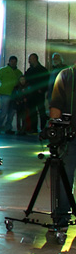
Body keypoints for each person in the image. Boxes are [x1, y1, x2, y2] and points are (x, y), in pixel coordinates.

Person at [49, 61, 76, 227]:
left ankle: (63, 218)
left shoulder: (66, 76)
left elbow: (55, 108)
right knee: (66, 176)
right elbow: (55, 108)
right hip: (69, 137)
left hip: (68, 136)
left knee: (65, 176)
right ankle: (63, 215)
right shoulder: (66, 76)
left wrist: (54, 130)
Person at [0, 56, 22, 134]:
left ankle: (8, 128)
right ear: (9, 61)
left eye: (14, 61)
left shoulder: (18, 72)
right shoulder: (3, 70)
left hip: (14, 95)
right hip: (4, 94)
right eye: (12, 61)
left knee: (11, 113)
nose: (13, 63)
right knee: (3, 112)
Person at [24, 53, 49, 133]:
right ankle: (34, 128)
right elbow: (26, 81)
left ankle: (43, 128)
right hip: (31, 95)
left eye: (30, 59)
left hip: (39, 94)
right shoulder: (29, 71)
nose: (29, 61)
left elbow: (46, 82)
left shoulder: (43, 70)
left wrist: (42, 90)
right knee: (33, 112)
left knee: (42, 112)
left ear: (35, 59)